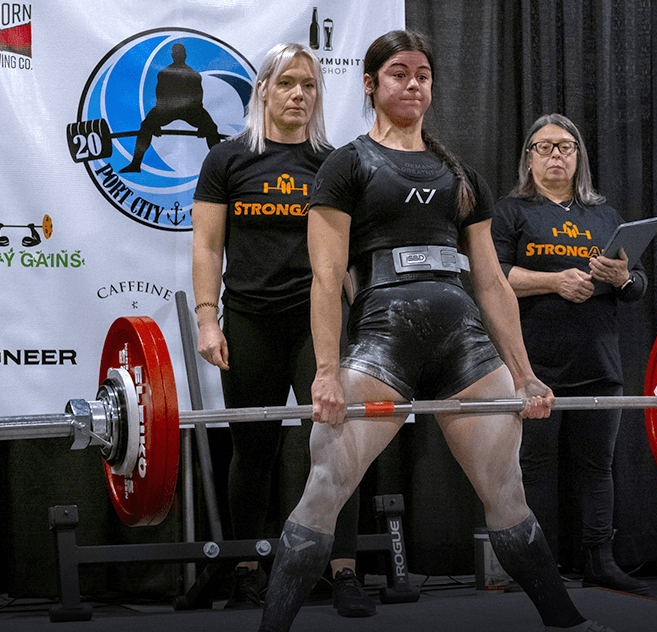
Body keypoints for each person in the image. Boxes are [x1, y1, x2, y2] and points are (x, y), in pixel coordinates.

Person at [257, 31, 614, 632]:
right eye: (398, 73)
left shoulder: (459, 173)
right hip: (383, 343)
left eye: (422, 75)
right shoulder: (346, 165)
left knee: (508, 495)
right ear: (370, 84)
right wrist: (325, 373)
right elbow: (325, 277)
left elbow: (492, 283)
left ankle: (566, 622)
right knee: (323, 490)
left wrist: (525, 375)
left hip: (463, 345)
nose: (412, 84)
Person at [191, 42, 375, 617]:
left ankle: (343, 571)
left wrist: (364, 322)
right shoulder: (227, 159)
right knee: (253, 450)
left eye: (309, 85)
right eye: (288, 83)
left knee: (338, 444)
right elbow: (207, 245)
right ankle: (247, 571)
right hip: (250, 320)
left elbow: (352, 258)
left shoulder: (334, 164)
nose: (299, 94)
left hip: (317, 323)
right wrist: (207, 318)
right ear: (264, 90)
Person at [491, 113, 650, 595]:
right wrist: (555, 281)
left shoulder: (605, 216)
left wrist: (621, 278)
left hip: (598, 363)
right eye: (544, 147)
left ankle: (599, 560)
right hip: (533, 365)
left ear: (578, 157)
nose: (555, 155)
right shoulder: (511, 212)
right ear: (529, 158)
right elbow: (494, 278)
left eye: (565, 146)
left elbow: (637, 286)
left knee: (597, 467)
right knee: (535, 467)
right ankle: (537, 566)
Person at [122, 42, 221, 173]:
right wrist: (154, 124)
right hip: (167, 109)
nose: (178, 55)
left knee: (211, 127)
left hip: (190, 110)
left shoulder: (194, 75)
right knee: (146, 126)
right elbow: (160, 95)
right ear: (173, 56)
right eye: (176, 53)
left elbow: (198, 97)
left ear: (184, 56)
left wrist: (204, 125)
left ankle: (221, 166)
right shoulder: (163, 74)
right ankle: (135, 164)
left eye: (180, 53)